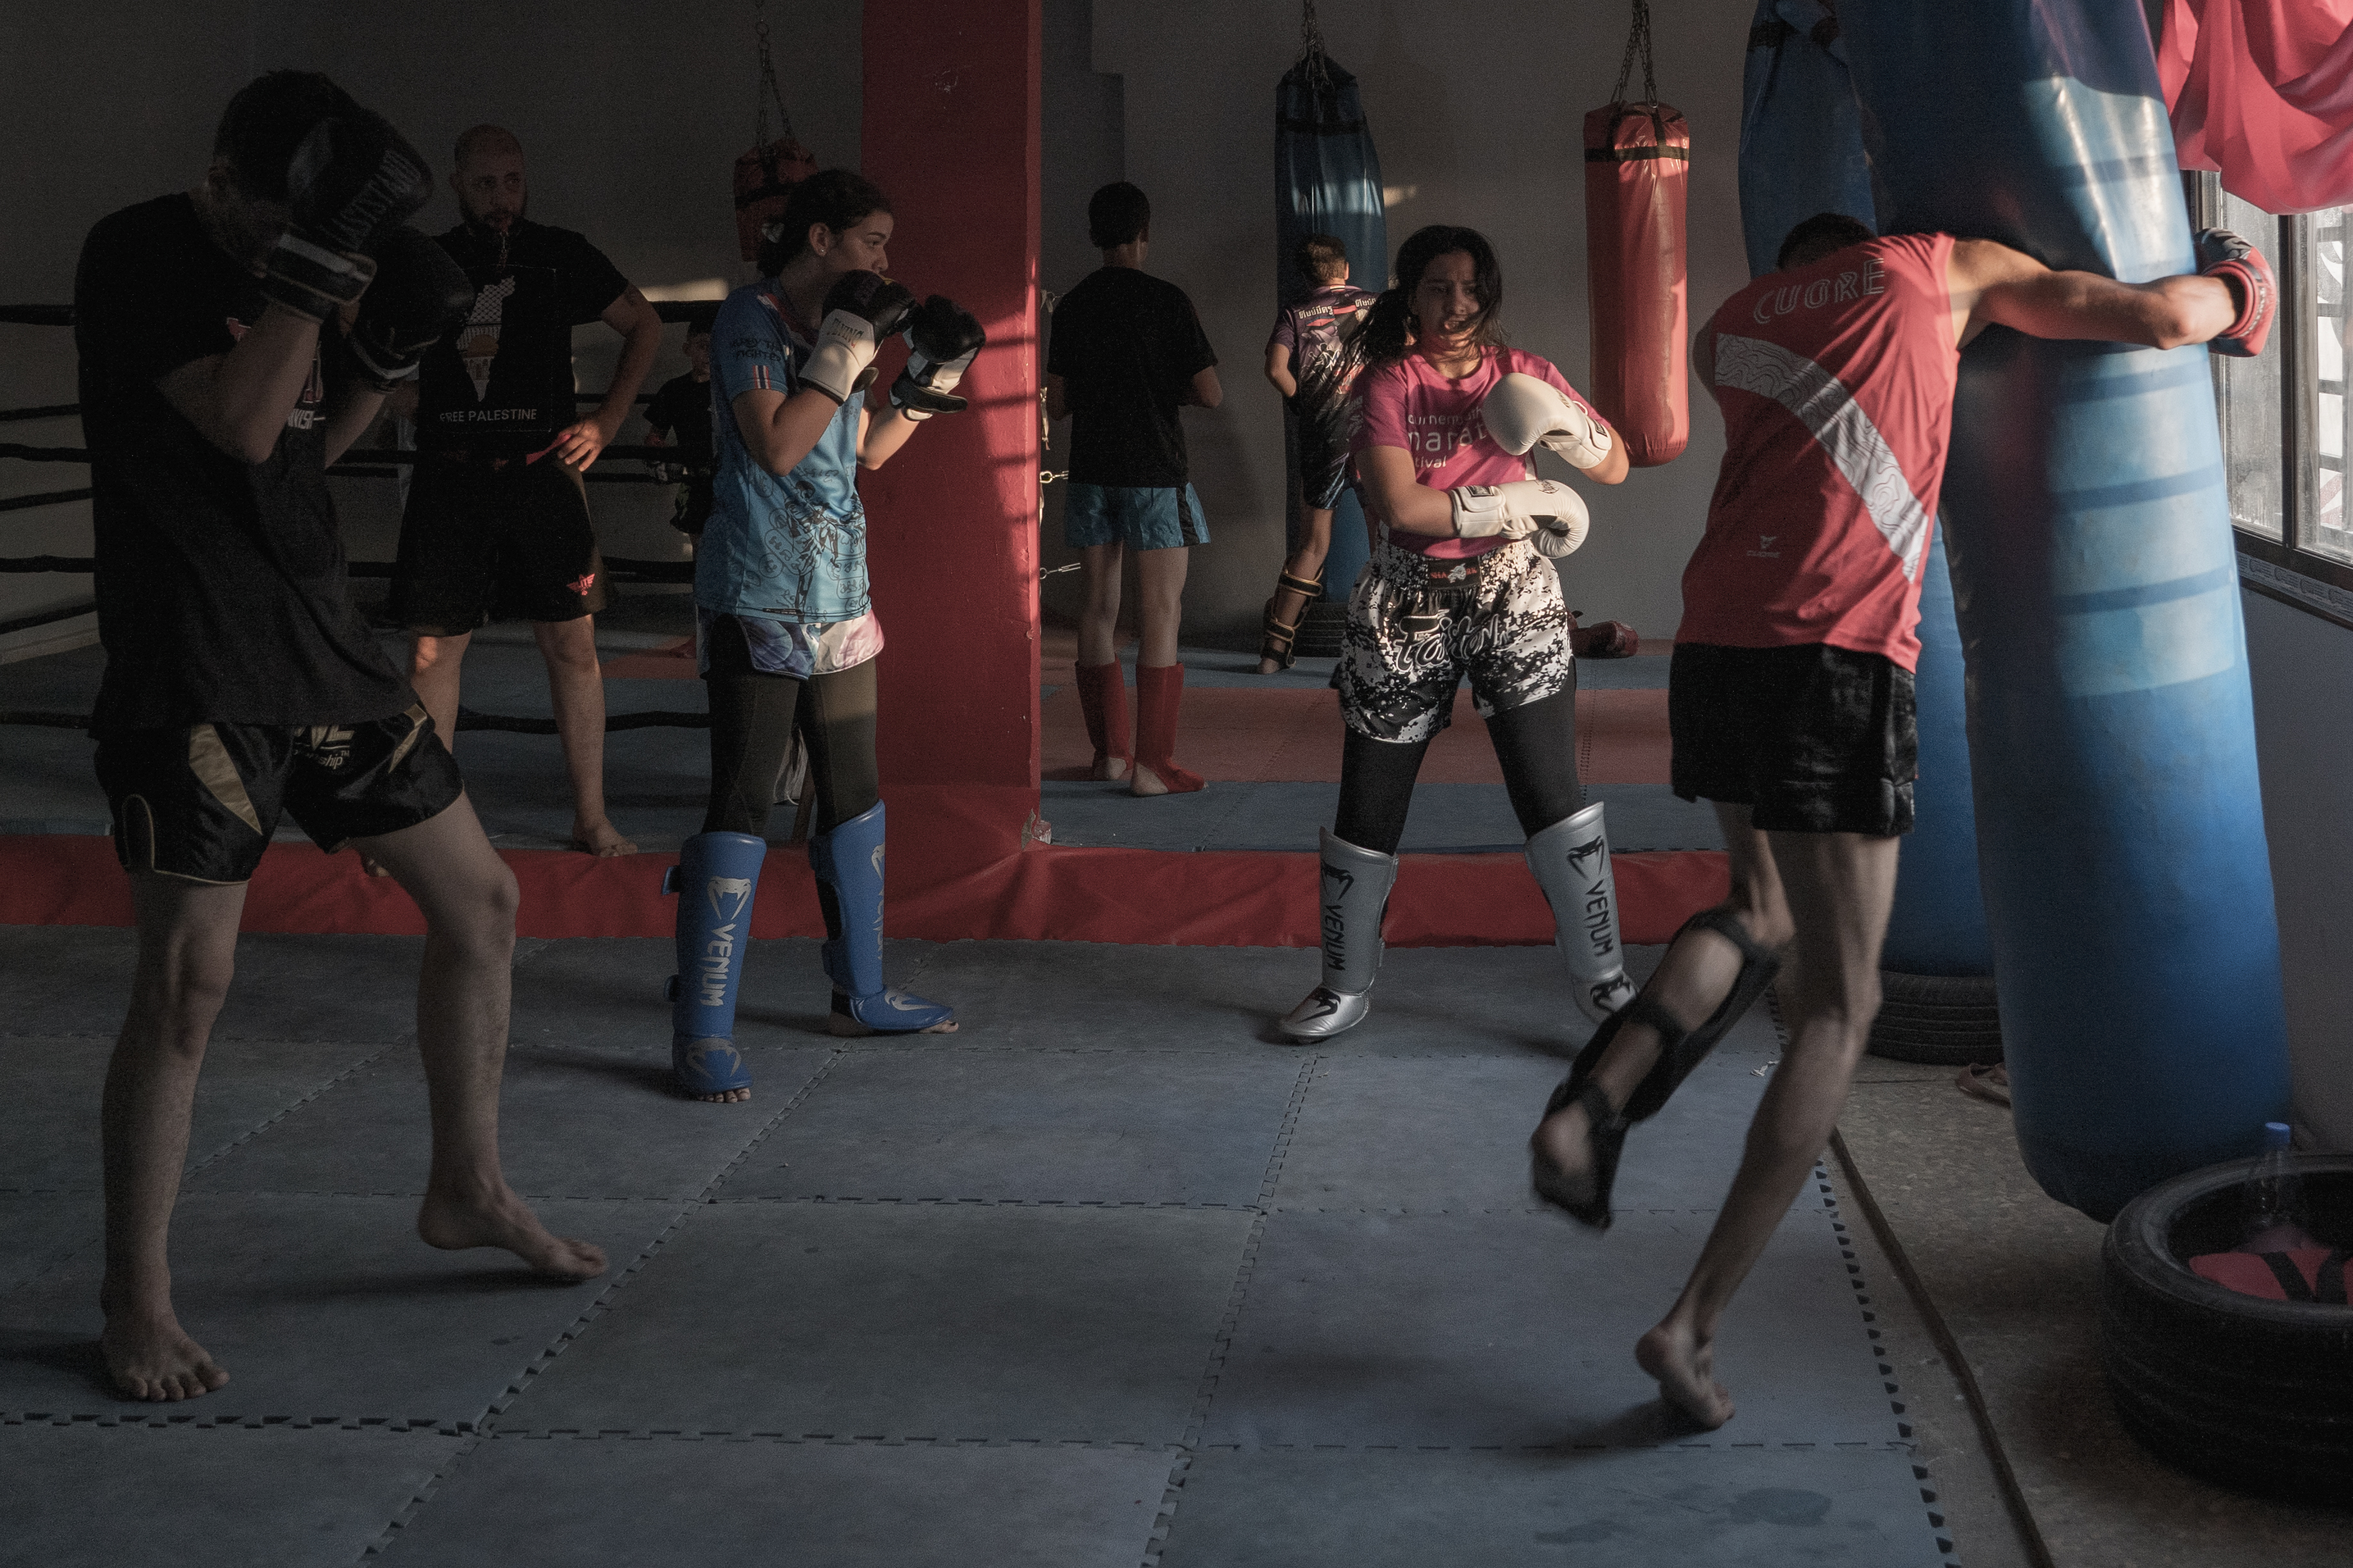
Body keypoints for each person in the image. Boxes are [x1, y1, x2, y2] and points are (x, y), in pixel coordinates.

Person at [1527, 210, 2275, 1429]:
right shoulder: (1936, 265)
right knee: (1841, 1006)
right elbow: (2152, 319)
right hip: (1834, 646)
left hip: (1712, 640)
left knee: (1756, 907)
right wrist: (2241, 283)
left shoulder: (1728, 327)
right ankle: (1690, 1324)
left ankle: (1587, 1108)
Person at [75, 71, 609, 1403]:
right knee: (190, 981)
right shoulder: (139, 253)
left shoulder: (306, 262)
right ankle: (136, 1296)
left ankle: (466, 1184)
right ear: (221, 183)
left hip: (324, 648)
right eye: (275, 230)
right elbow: (242, 418)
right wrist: (315, 271)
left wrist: (380, 357)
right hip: (195, 657)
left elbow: (305, 448)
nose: (287, 253)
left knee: (483, 901)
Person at [665, 169, 982, 1103]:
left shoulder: (851, 329)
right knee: (742, 799)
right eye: (871, 240)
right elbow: (777, 444)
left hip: (842, 596)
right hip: (755, 595)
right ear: (819, 239)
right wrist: (846, 341)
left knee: (853, 795)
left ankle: (860, 994)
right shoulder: (749, 321)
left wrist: (932, 377)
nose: (885, 258)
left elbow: (864, 450)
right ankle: (701, 1027)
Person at [1277, 224, 1636, 1043]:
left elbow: (1614, 464)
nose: (1457, 303)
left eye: (1471, 287)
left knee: (1551, 793)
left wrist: (1561, 423)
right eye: (1438, 286)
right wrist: (1530, 500)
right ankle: (1342, 986)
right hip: (1407, 599)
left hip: (1514, 595)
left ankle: (1604, 982)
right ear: (1409, 294)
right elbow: (1401, 506)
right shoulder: (1386, 382)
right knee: (1369, 801)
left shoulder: (1524, 371)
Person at [390, 124, 665, 858]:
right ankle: (426, 829)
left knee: (572, 643)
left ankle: (591, 818)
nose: (501, 197)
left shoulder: (559, 251)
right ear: (457, 184)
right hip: (452, 470)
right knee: (431, 653)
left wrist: (608, 419)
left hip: (543, 468)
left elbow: (644, 323)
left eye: (512, 180)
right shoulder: (427, 259)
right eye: (485, 183)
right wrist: (389, 391)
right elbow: (352, 322)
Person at [1045, 181, 1221, 795]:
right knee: (1160, 610)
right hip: (1153, 472)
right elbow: (1209, 393)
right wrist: (1156, 387)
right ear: (1144, 234)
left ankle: (1110, 757)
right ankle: (1152, 765)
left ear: (1095, 234)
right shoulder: (1167, 300)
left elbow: (1057, 403)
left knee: (1096, 608)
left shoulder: (1072, 306)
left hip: (1092, 470)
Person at [1257, 233, 1376, 673]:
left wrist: (1303, 402)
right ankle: (1388, 650)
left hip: (1322, 435)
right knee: (1384, 542)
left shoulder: (1296, 312)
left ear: (1308, 278)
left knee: (1312, 545)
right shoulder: (1376, 305)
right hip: (1372, 433)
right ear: (1345, 269)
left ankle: (1272, 654)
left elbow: (1275, 369)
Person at [643, 313, 717, 537]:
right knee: (699, 542)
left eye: (716, 345)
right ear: (688, 349)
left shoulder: (730, 390)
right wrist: (658, 454)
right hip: (694, 479)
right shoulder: (674, 390)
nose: (710, 352)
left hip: (728, 476)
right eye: (703, 345)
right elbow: (655, 436)